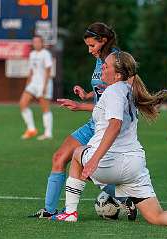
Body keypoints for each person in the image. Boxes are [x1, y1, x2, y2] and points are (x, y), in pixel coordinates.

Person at [51, 51, 167, 231]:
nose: (102, 67)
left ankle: (70, 213)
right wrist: (81, 106)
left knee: (77, 153)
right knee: (155, 216)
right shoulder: (128, 90)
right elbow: (107, 109)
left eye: (107, 65)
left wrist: (95, 159)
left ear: (118, 74)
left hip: (107, 163)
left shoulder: (113, 90)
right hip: (134, 167)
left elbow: (115, 125)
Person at [29, 23, 136, 219]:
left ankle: (125, 198)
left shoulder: (117, 61)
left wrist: (80, 105)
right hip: (93, 122)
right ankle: (49, 210)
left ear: (103, 41)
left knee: (93, 172)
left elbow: (122, 98)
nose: (89, 50)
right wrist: (86, 96)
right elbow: (103, 93)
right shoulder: (99, 60)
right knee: (59, 157)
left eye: (92, 45)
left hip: (106, 127)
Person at [20, 35, 54, 140]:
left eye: (38, 42)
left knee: (45, 108)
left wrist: (44, 86)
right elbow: (31, 71)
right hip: (33, 83)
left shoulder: (46, 54)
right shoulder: (32, 54)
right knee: (22, 104)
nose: (36, 44)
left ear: (42, 43)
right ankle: (31, 129)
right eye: (34, 42)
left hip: (44, 83)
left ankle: (48, 133)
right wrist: (27, 84)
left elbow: (48, 71)